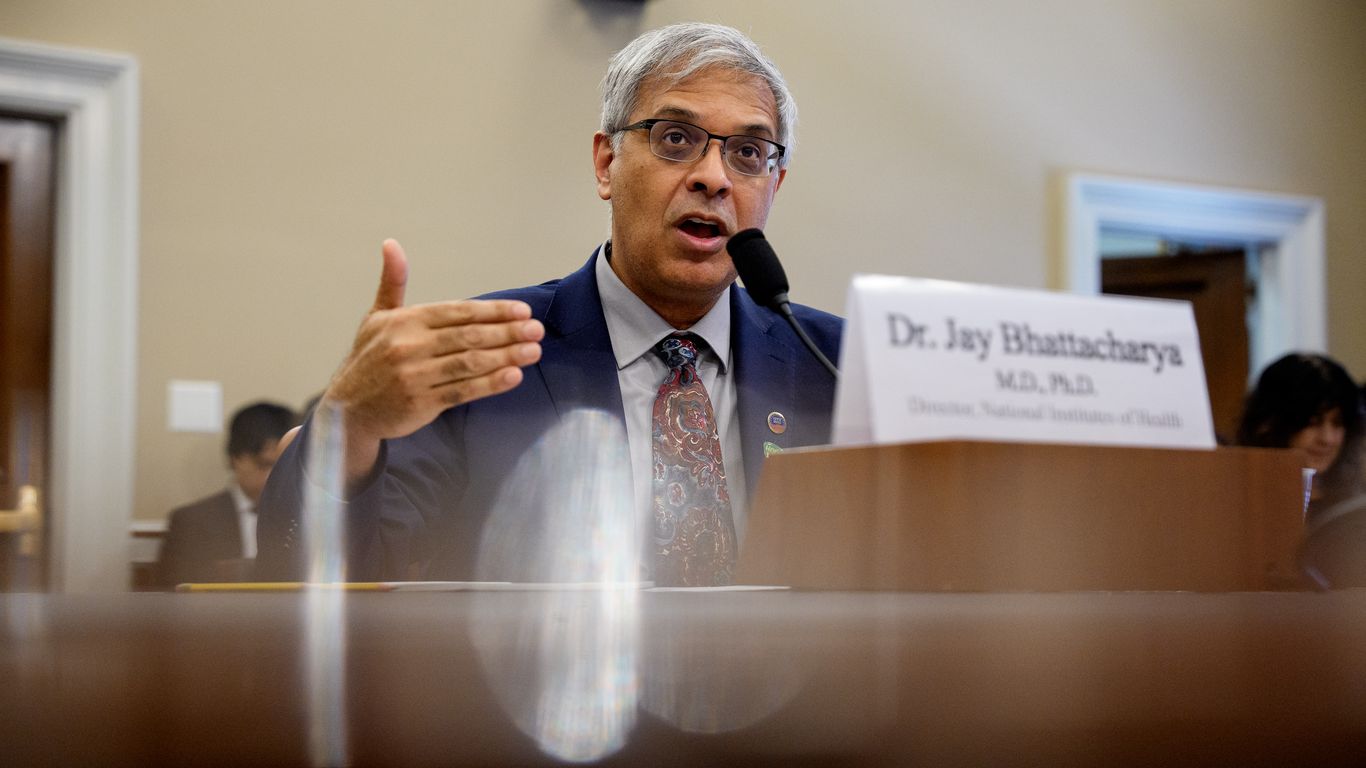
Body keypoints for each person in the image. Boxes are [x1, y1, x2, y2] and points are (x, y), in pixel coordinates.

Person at [256, 23, 842, 585]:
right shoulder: (482, 359)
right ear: (606, 164)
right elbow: (325, 579)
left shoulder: (836, 367)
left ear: (774, 185)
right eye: (676, 139)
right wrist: (349, 429)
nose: (713, 178)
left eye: (748, 152)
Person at [158, 401, 296, 587]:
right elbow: (172, 595)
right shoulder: (191, 522)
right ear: (235, 458)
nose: (274, 475)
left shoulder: (305, 518)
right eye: (263, 465)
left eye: (283, 465)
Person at [1235, 353, 1365, 518]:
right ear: (1268, 423)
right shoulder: (1239, 501)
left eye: (1337, 423)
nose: (1327, 439)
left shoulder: (1353, 508)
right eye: (1312, 422)